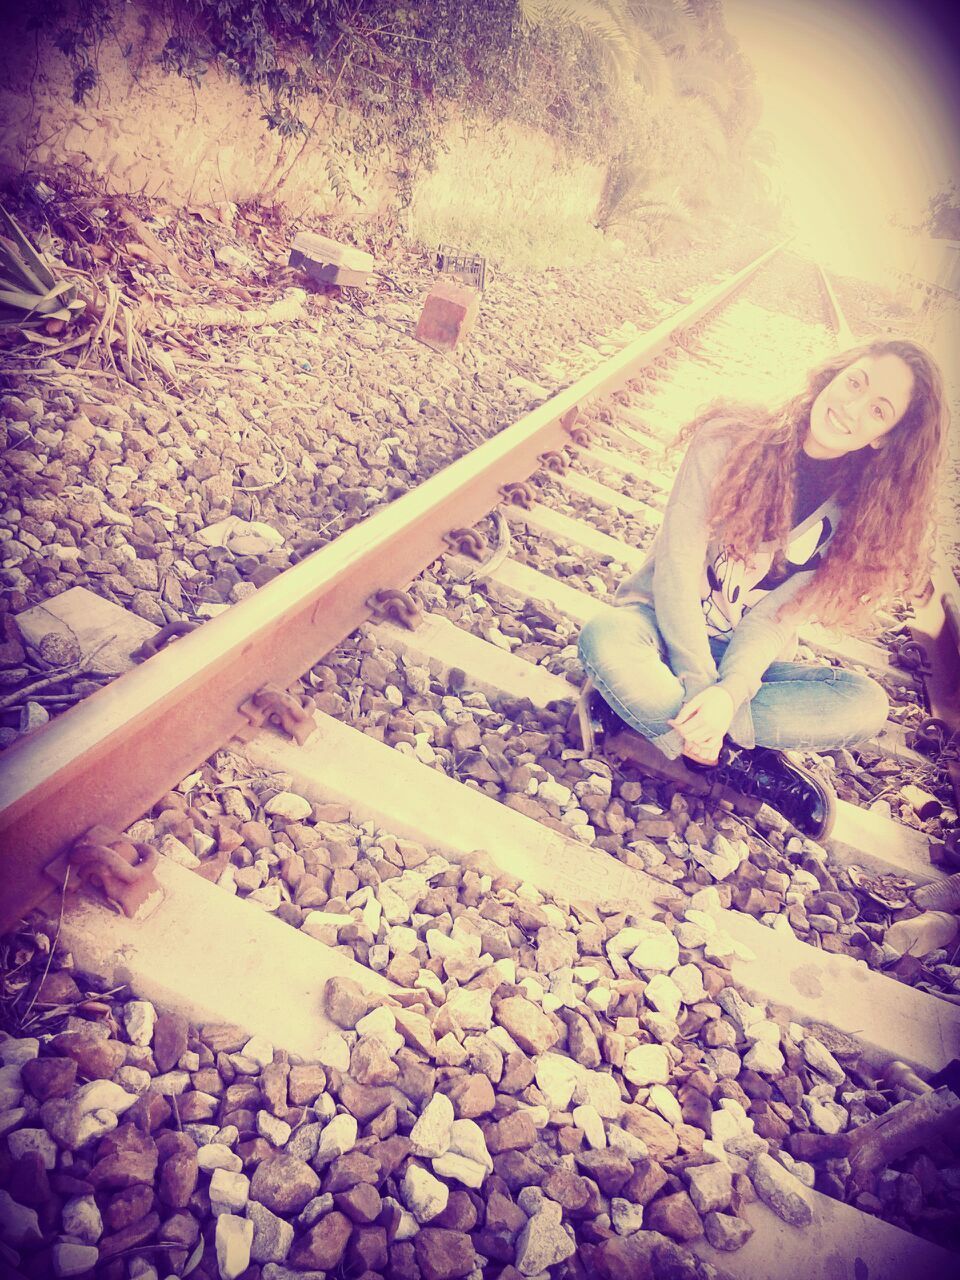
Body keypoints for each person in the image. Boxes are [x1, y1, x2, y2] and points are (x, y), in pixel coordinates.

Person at [576, 338, 947, 839]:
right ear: (835, 373)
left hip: (742, 661)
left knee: (865, 705)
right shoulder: (728, 439)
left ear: (885, 437)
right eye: (856, 382)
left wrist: (728, 696)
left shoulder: (857, 519)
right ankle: (737, 760)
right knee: (604, 636)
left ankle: (647, 718)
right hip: (656, 625)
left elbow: (773, 620)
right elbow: (677, 570)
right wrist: (698, 682)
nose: (852, 407)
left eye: (878, 410)